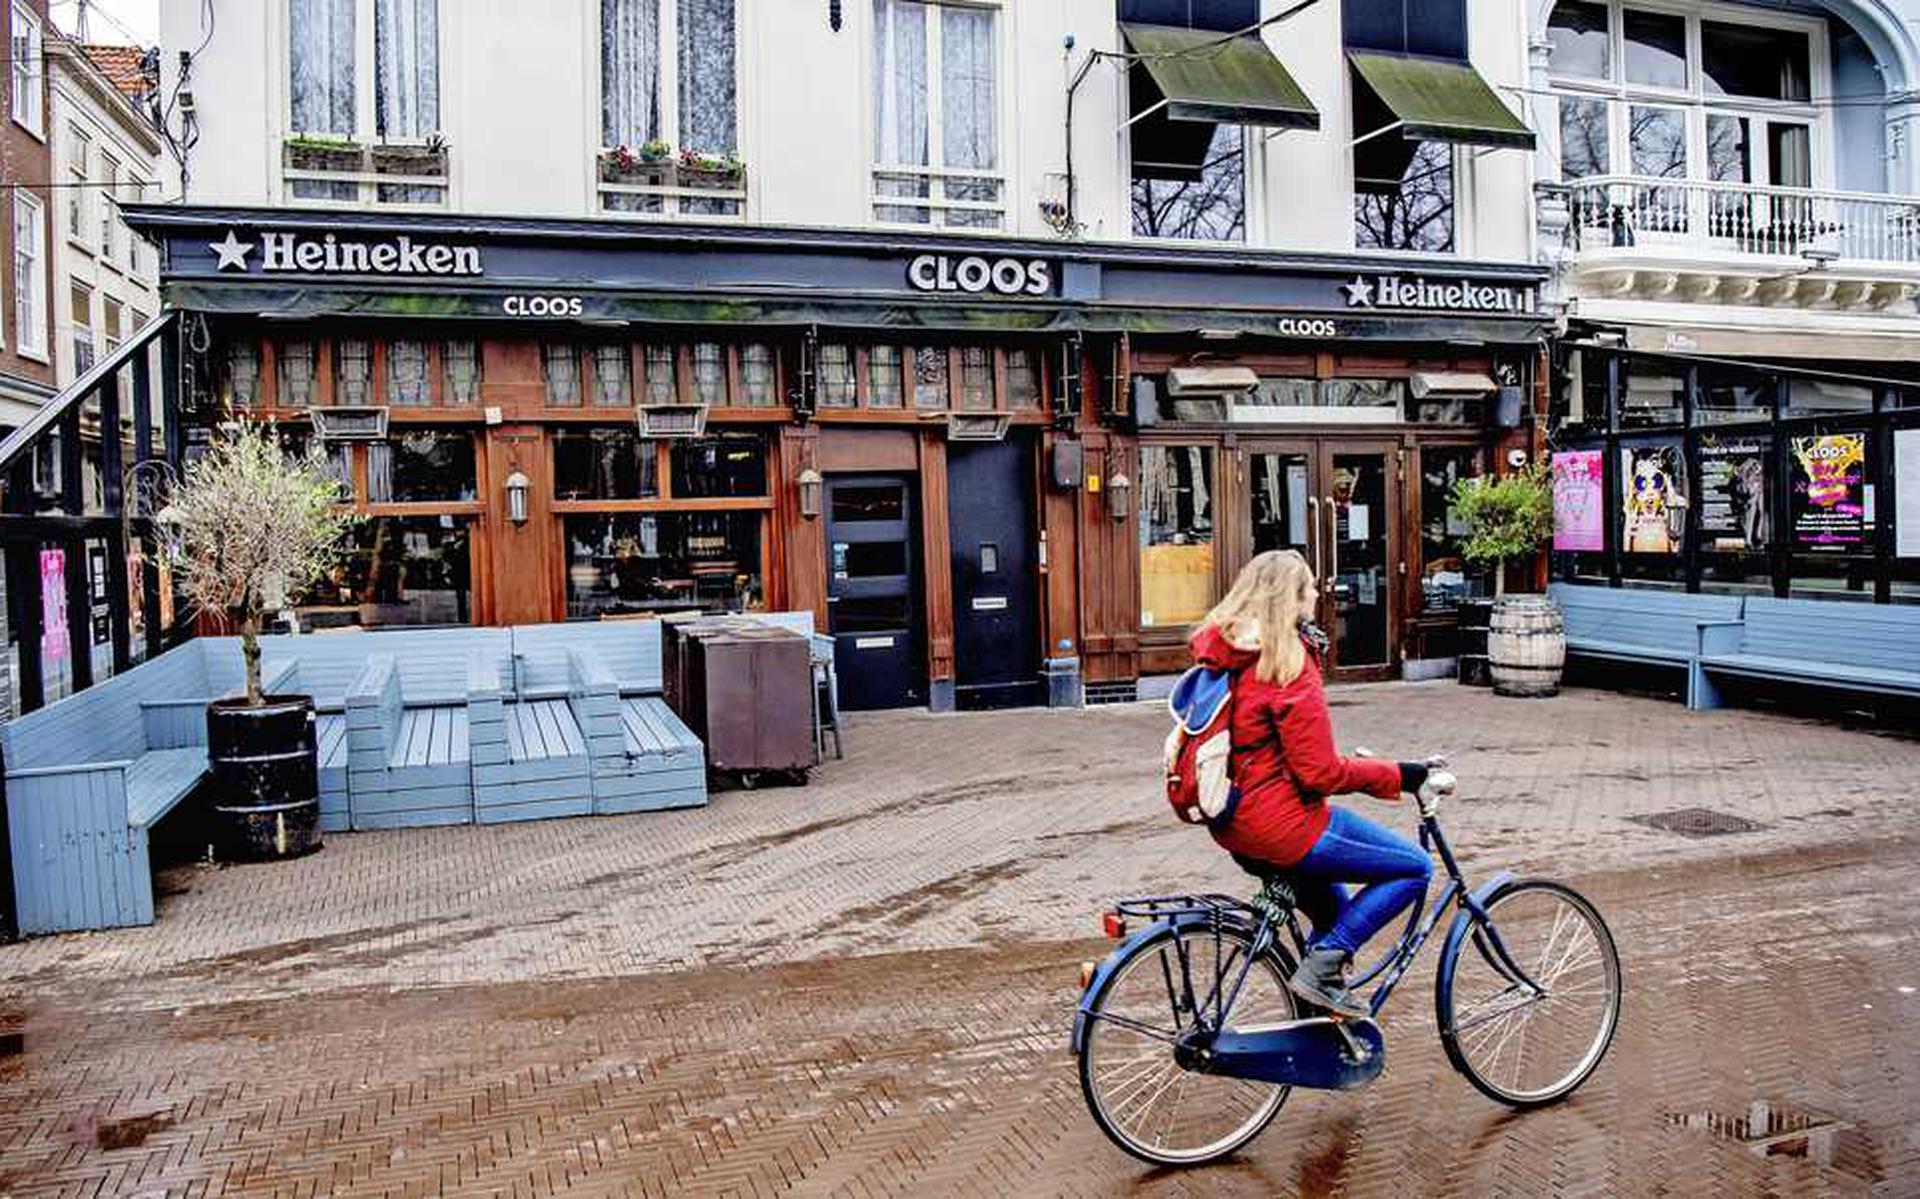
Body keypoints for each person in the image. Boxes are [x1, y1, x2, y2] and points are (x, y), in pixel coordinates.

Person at [1189, 549, 1433, 1019]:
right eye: (1310, 588)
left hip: (1233, 822)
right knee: (1414, 867)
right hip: (1286, 825)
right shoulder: (1286, 663)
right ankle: (1317, 976)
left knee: (1334, 917)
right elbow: (1319, 773)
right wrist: (1399, 774)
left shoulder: (1228, 655)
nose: (1318, 594)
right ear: (1290, 599)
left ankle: (1319, 1020)